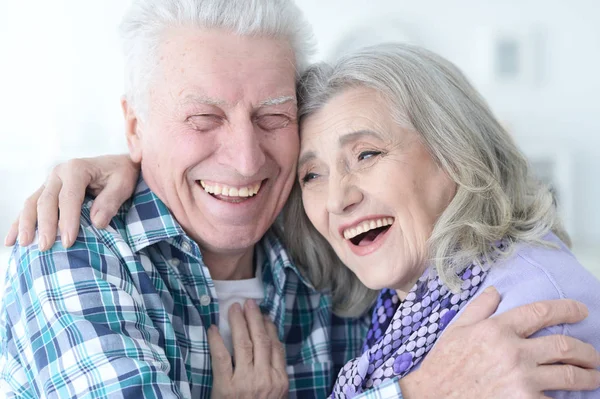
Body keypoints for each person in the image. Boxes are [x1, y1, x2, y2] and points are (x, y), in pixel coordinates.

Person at [3, 1, 599, 398]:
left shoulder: (330, 258)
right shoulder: (71, 251)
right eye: (203, 118)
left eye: (272, 116)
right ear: (134, 128)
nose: (245, 158)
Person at [281, 43, 600, 398]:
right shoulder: (399, 306)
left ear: (454, 155)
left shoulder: (528, 320)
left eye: (366, 154)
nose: (337, 199)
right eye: (311, 175)